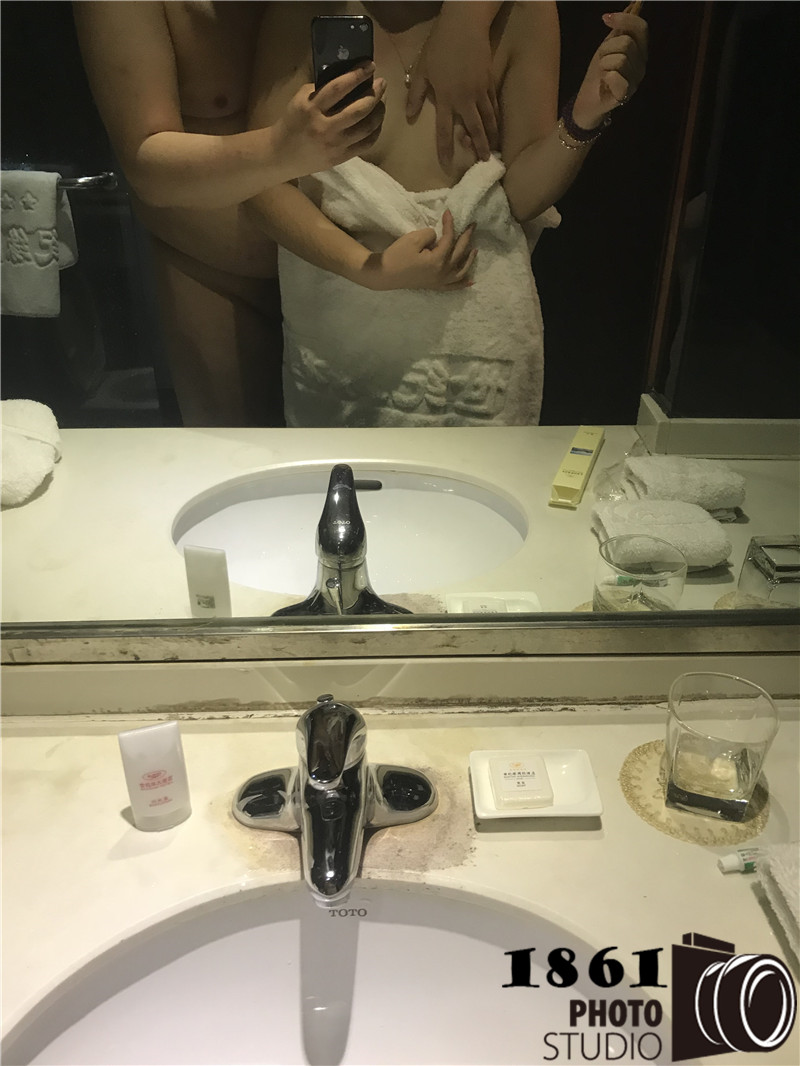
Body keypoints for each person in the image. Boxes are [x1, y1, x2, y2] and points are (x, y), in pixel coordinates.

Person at [72, 1, 501, 427]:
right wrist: (277, 152)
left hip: (363, 265)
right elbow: (147, 167)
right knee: (237, 459)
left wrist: (467, 18)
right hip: (220, 277)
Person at [245, 2, 648, 428]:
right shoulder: (304, 8)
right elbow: (260, 184)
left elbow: (520, 199)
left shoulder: (523, 10)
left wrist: (584, 116)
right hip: (337, 363)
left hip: (471, 373)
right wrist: (370, 268)